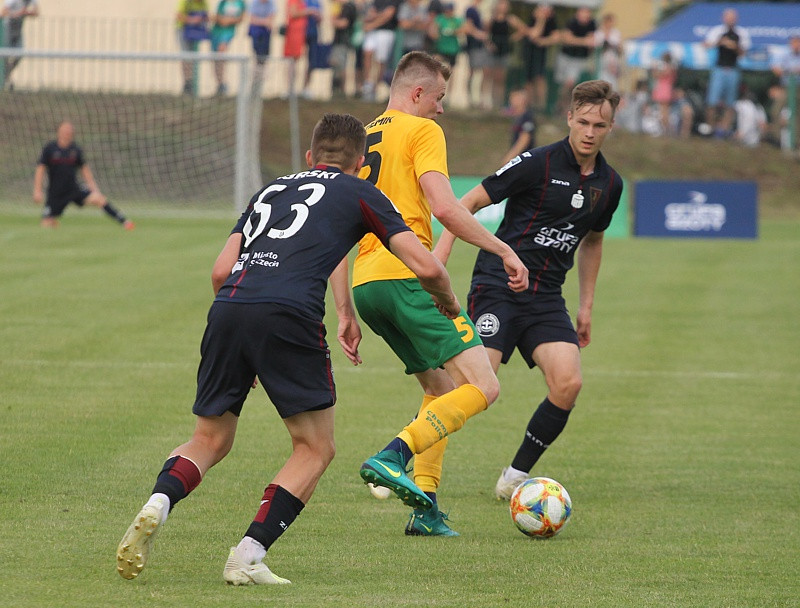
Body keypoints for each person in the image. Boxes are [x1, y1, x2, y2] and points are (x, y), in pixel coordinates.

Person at [115, 113, 462, 585]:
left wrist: (248, 344)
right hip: (288, 313)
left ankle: (159, 502)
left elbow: (221, 271)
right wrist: (447, 300)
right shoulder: (363, 191)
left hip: (230, 308)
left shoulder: (270, 190)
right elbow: (425, 265)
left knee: (209, 438)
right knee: (315, 447)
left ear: (309, 156)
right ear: (361, 162)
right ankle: (247, 554)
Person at [350, 51, 529, 536]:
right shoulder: (423, 131)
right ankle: (394, 455)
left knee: (438, 390)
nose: (442, 109)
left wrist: (344, 310)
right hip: (408, 277)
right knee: (484, 386)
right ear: (416, 94)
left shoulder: (360, 137)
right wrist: (503, 250)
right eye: (440, 97)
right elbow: (446, 209)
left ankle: (425, 508)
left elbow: (340, 226)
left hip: (366, 286)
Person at [433, 79, 623, 501]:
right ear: (570, 118)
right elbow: (466, 205)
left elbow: (593, 239)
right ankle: (403, 455)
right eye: (585, 122)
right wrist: (438, 265)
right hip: (497, 286)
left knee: (568, 383)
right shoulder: (536, 162)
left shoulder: (610, 184)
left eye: (601, 124)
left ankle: (515, 475)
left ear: (611, 126)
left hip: (546, 298)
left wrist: (586, 306)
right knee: (472, 386)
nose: (591, 132)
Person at [33, 121, 134, 230]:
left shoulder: (75, 150)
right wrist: (37, 190)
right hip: (55, 193)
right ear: (59, 132)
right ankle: (52, 221)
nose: (67, 133)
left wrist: (94, 188)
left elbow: (85, 170)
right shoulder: (50, 148)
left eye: (69, 131)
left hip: (73, 189)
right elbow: (40, 169)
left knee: (99, 199)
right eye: (65, 130)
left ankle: (125, 222)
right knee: (45, 224)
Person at [702, 7, 751, 139]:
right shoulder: (717, 31)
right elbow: (706, 44)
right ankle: (710, 129)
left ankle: (723, 130)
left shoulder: (741, 33)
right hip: (719, 68)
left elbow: (744, 52)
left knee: (730, 103)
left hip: (733, 69)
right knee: (712, 100)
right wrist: (720, 42)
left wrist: (734, 46)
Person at [554, 6, 596, 113]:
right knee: (563, 84)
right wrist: (583, 41)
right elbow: (568, 39)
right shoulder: (572, 23)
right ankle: (560, 106)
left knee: (570, 83)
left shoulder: (592, 24)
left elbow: (591, 40)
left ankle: (567, 107)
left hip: (578, 59)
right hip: (566, 56)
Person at [485, 0, 523, 111]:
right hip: (493, 53)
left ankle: (499, 102)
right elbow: (486, 34)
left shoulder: (510, 19)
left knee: (500, 78)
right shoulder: (491, 20)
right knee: (489, 76)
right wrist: (489, 44)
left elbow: (522, 30)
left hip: (504, 52)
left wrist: (511, 39)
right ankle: (489, 101)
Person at [521, 3, 559, 112]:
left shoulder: (551, 21)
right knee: (528, 80)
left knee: (540, 78)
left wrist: (544, 41)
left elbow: (556, 37)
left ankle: (541, 106)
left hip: (540, 54)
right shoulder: (532, 20)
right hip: (529, 52)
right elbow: (535, 34)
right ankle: (529, 105)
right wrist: (541, 19)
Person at [360, 0, 400, 101]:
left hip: (386, 32)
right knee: (367, 54)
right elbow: (371, 14)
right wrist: (378, 16)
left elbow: (388, 15)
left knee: (380, 61)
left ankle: (376, 87)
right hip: (373, 32)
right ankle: (368, 84)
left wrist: (372, 23)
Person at [1, 0, 39, 90]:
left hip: (18, 32)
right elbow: (2, 13)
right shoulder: (12, 1)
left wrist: (26, 12)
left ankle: (7, 75)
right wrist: (19, 13)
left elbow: (36, 12)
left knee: (20, 54)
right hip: (7, 29)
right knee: (4, 57)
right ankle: (4, 80)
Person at [210, 0, 246, 96]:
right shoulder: (223, 2)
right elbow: (215, 16)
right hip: (216, 32)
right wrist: (221, 20)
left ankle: (223, 83)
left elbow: (241, 18)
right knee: (216, 59)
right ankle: (220, 83)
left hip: (228, 32)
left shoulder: (241, 3)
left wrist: (229, 20)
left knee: (221, 53)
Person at [175, 0, 210, 95]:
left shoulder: (204, 3)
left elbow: (206, 16)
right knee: (186, 57)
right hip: (183, 31)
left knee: (193, 58)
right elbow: (178, 15)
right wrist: (192, 20)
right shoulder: (185, 2)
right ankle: (187, 83)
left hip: (195, 33)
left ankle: (193, 83)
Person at [463, 0, 490, 109]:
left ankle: (478, 98)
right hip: (474, 46)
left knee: (480, 72)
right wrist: (479, 34)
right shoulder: (470, 10)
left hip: (479, 46)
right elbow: (468, 26)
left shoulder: (479, 11)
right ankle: (471, 98)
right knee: (473, 72)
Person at [499, 87, 535, 165]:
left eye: (515, 98)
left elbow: (525, 138)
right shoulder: (517, 117)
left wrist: (510, 157)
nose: (512, 100)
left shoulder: (527, 117)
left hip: (524, 160)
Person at [329, 0, 357, 96]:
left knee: (340, 65)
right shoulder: (348, 7)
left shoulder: (347, 7)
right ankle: (338, 90)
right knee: (338, 64)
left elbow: (343, 23)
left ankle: (340, 90)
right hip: (341, 41)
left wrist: (333, 20)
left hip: (342, 41)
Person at [283, 0, 308, 97]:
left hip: (299, 34)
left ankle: (292, 88)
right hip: (293, 34)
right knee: (291, 62)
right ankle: (289, 89)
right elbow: (293, 13)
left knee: (295, 62)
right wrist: (309, 11)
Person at [247, 0, 275, 88]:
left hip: (265, 36)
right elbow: (252, 19)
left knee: (263, 59)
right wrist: (264, 22)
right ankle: (255, 81)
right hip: (257, 35)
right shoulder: (254, 3)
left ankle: (258, 82)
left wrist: (259, 21)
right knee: (257, 57)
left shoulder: (271, 4)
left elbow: (270, 21)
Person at [428, 2, 464, 68]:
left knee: (452, 68)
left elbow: (463, 29)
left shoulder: (456, 20)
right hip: (441, 47)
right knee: (438, 66)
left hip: (453, 48)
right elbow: (433, 30)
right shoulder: (440, 19)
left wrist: (453, 32)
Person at [651, 51, 677, 136]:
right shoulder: (671, 68)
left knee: (664, 111)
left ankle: (666, 130)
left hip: (664, 89)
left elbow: (658, 75)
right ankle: (665, 129)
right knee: (663, 111)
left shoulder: (669, 68)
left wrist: (654, 68)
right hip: (664, 89)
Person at [593, 12, 621, 91]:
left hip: (613, 59)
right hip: (602, 59)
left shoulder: (616, 33)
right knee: (602, 79)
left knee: (613, 82)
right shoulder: (599, 32)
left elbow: (618, 46)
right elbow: (596, 45)